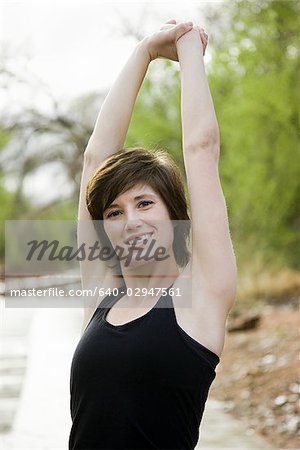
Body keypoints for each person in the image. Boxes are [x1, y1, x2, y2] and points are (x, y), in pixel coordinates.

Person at [69, 19, 237, 450]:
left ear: (175, 216)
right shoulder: (101, 296)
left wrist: (187, 47)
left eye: (145, 204)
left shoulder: (200, 300)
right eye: (114, 211)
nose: (131, 221)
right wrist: (143, 51)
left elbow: (202, 149)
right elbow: (95, 162)